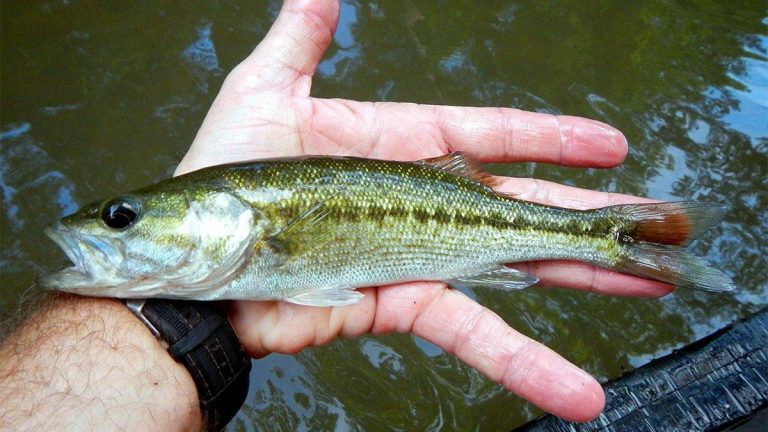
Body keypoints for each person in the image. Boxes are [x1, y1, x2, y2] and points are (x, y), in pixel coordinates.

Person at [0, 0, 674, 430]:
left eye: (122, 218)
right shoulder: (247, 236)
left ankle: (609, 237)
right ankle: (616, 237)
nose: (104, 228)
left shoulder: (261, 232)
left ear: (232, 217)